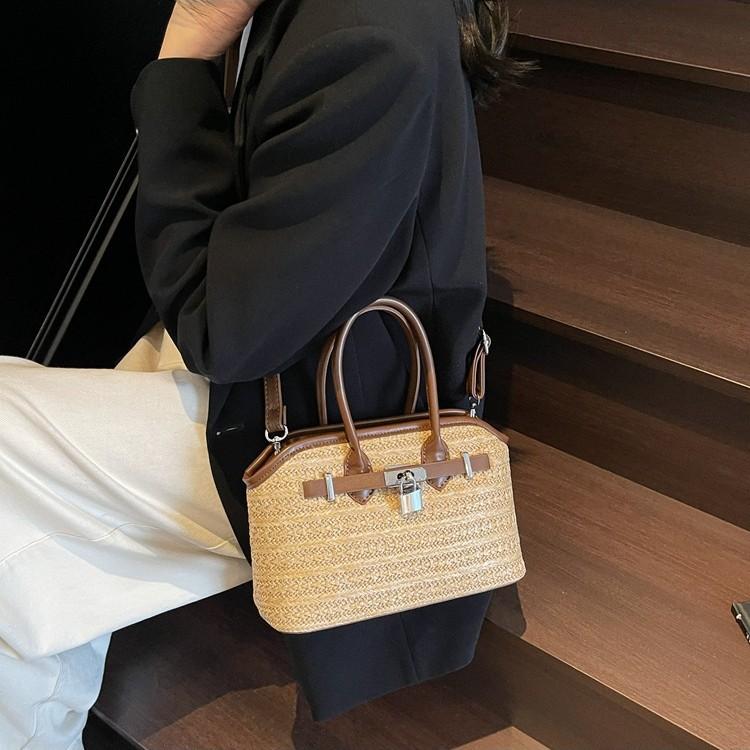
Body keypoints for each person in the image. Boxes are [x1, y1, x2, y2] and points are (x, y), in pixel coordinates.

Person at [0, 0, 533, 746]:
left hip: (327, 434)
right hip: (293, 359)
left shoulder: (366, 39)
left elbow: (222, 331)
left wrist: (185, 50)